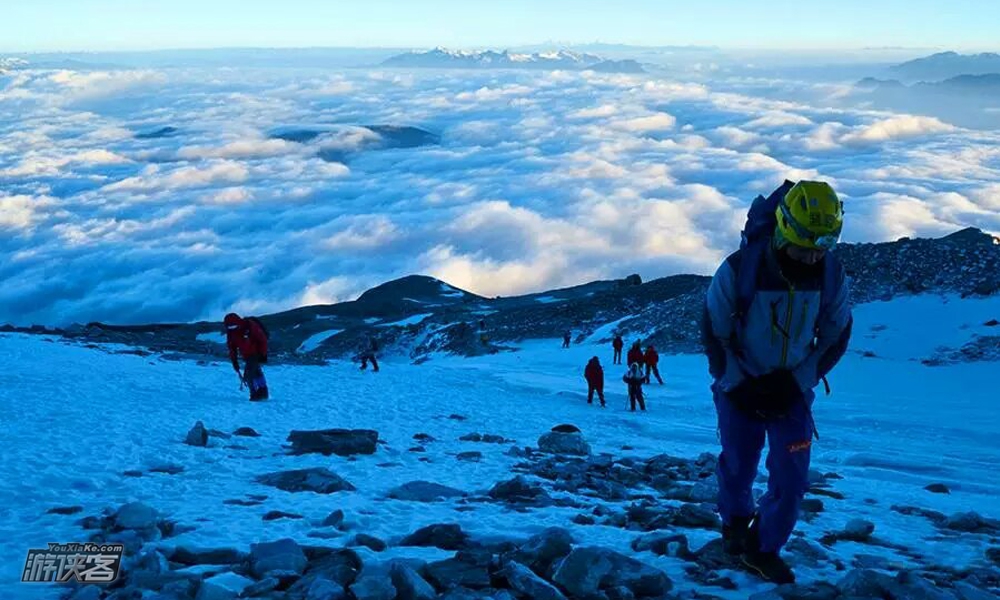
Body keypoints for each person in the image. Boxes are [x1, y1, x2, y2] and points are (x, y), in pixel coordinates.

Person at [702, 181, 853, 584]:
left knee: (791, 479)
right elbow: (713, 333)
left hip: (792, 395)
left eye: (822, 246)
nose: (812, 255)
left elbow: (836, 334)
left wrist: (797, 382)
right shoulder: (738, 269)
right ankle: (735, 523)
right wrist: (740, 384)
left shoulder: (831, 275)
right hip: (740, 390)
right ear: (785, 227)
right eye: (804, 244)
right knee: (739, 465)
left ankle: (762, 547)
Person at [224, 313, 269, 401]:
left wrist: (263, 354)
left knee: (249, 375)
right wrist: (235, 363)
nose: (232, 328)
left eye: (233, 326)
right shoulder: (231, 332)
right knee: (256, 373)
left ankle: (255, 395)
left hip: (257, 353)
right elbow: (232, 348)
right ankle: (263, 391)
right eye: (230, 327)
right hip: (247, 355)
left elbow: (262, 339)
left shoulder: (250, 326)